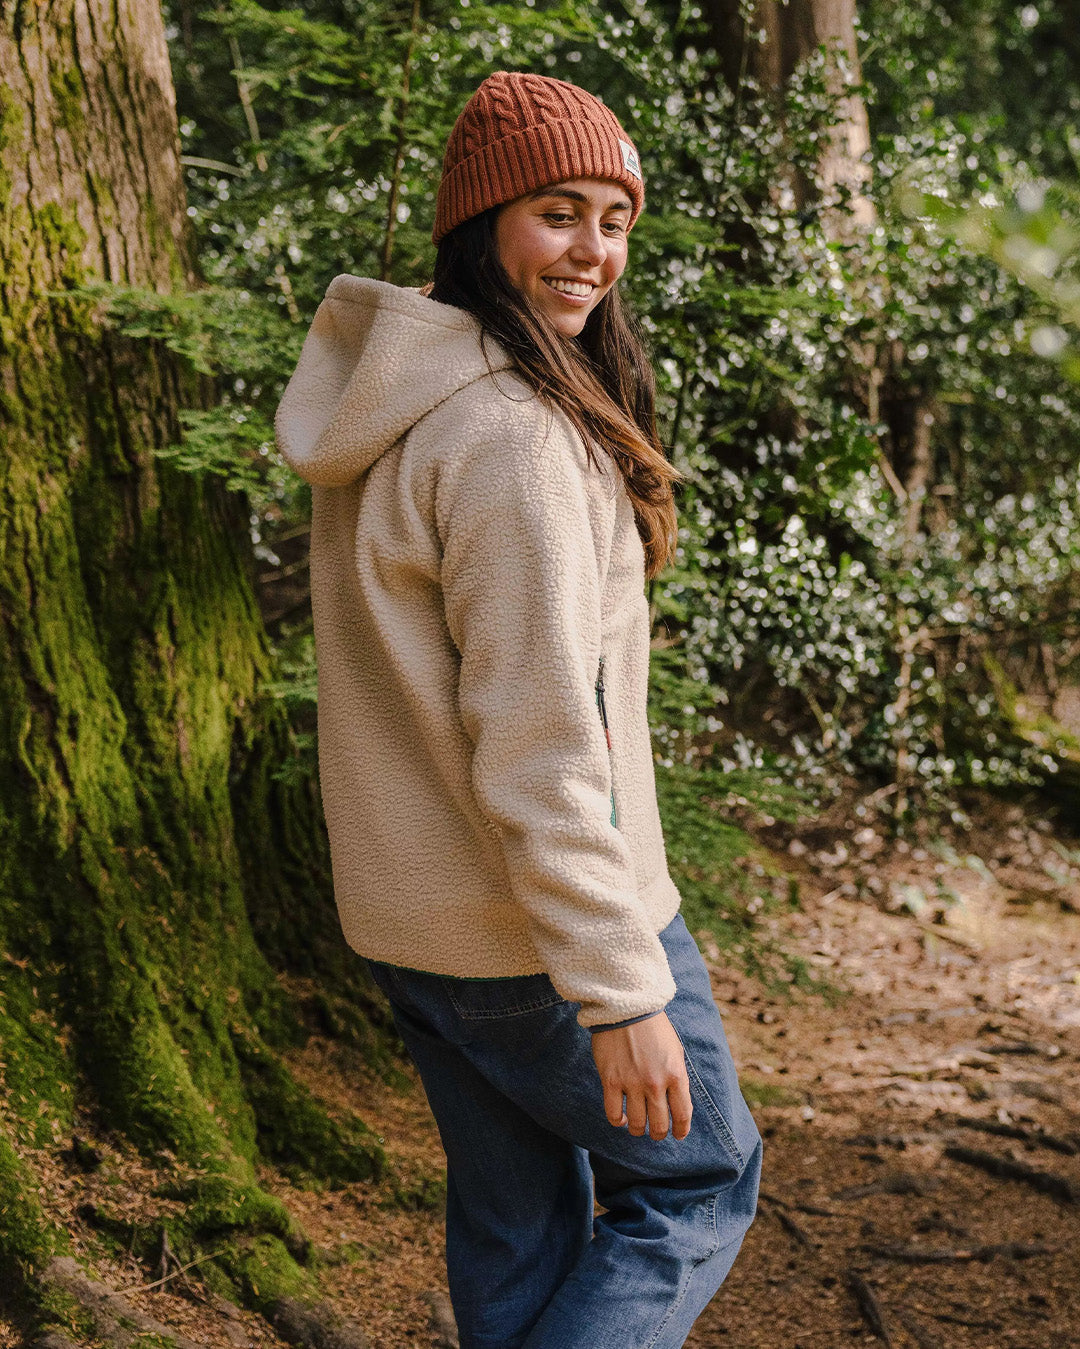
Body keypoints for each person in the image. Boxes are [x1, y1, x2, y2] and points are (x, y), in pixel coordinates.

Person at [275, 69, 762, 1349]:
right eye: (558, 213)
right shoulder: (514, 438)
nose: (593, 249)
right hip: (538, 934)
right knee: (699, 1181)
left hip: (416, 923)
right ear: (481, 221)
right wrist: (623, 992)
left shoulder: (398, 399)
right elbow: (545, 744)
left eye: (615, 218)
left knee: (517, 1225)